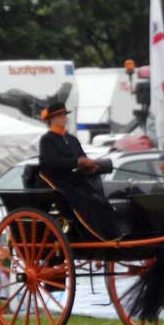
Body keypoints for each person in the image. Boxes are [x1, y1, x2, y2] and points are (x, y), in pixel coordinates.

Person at [37, 100, 120, 239]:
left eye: (64, 115)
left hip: (76, 180)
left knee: (100, 200)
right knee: (86, 201)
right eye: (59, 116)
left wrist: (90, 167)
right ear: (51, 120)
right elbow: (51, 163)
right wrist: (77, 162)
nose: (63, 118)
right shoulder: (47, 140)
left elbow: (82, 157)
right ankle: (94, 235)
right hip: (59, 182)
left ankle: (112, 234)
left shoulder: (72, 139)